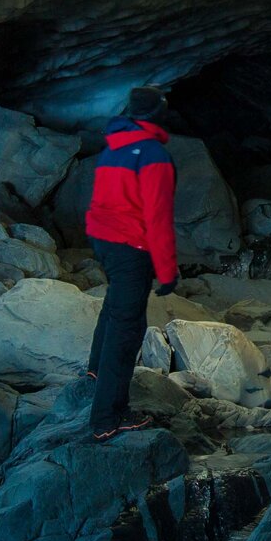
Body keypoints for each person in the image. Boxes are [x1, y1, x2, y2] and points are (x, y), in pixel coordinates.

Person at [82, 85, 180, 438]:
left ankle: (95, 372)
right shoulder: (153, 155)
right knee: (128, 327)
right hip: (130, 246)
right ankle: (107, 419)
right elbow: (158, 218)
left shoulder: (114, 146)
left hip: (103, 239)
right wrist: (167, 271)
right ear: (158, 114)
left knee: (114, 307)